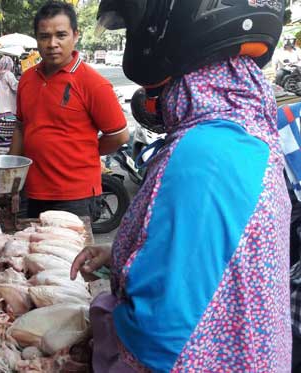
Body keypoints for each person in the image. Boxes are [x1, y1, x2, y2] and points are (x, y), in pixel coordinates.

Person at [70, 1, 289, 371]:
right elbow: (214, 262)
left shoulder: (204, 154)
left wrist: (104, 323)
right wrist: (122, 256)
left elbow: (158, 334)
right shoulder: (248, 135)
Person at [9, 1, 128, 219]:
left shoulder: (93, 83)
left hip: (75, 196)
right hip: (32, 191)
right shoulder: (26, 79)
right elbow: (20, 127)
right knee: (31, 250)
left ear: (75, 36)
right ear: (37, 39)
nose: (52, 43)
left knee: (72, 254)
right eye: (44, 36)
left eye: (61, 35)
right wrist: (11, 178)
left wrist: (83, 151)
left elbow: (119, 136)